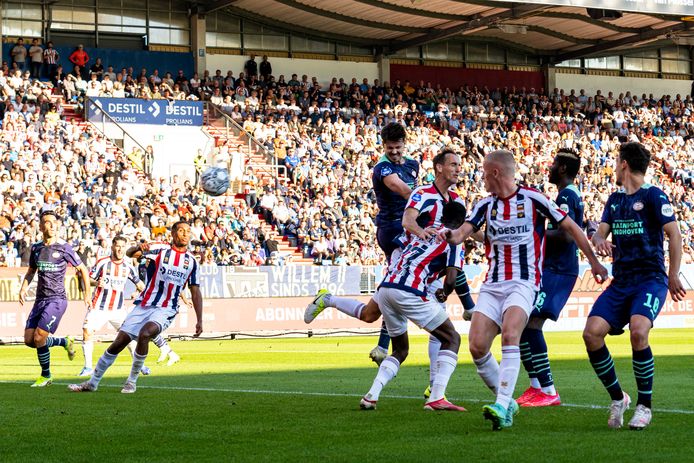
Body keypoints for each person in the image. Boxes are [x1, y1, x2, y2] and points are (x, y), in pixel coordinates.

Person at [441, 150, 608, 430]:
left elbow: (572, 228)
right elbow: (461, 233)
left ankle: (503, 403)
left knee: (511, 334)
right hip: (493, 285)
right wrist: (449, 234)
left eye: (484, 172)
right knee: (477, 346)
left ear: (495, 173)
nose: (480, 177)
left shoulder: (533, 199)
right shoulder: (484, 205)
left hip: (524, 282)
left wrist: (594, 262)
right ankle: (507, 401)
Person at [305, 149, 476, 398]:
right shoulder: (422, 193)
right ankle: (435, 390)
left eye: (460, 165)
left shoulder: (456, 201)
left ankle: (432, 387)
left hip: (424, 265)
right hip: (409, 258)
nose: (459, 169)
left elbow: (467, 228)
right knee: (429, 326)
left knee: (375, 315)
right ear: (439, 168)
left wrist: (494, 237)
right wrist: (423, 235)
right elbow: (408, 222)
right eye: (454, 164)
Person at [584, 142, 686, 430]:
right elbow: (599, 234)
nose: (614, 167)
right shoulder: (614, 201)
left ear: (625, 164)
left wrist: (673, 274)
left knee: (639, 330)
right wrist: (600, 240)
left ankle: (645, 406)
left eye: (617, 162)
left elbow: (674, 235)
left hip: (650, 280)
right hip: (622, 282)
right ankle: (619, 398)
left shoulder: (654, 196)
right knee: (591, 334)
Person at [68, 222, 203, 394]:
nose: (185, 234)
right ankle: (92, 383)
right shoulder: (159, 249)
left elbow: (195, 291)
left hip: (166, 308)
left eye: (188, 231)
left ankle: (131, 382)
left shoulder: (191, 262)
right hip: (144, 304)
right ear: (173, 234)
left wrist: (199, 319)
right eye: (181, 231)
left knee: (145, 333)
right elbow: (131, 253)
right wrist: (139, 247)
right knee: (119, 342)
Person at [360, 201, 468, 411]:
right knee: (452, 338)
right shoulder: (454, 240)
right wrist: (444, 293)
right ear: (462, 222)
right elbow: (453, 279)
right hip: (409, 291)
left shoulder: (426, 231)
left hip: (386, 289)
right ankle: (436, 397)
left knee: (400, 350)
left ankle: (371, 395)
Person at [517, 148, 584, 407]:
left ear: (563, 169)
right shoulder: (564, 194)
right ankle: (536, 387)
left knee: (532, 323)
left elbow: (567, 235)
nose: (550, 167)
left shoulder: (567, 195)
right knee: (522, 323)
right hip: (550, 267)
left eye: (554, 163)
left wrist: (533, 234)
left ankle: (548, 389)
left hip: (559, 268)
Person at [19, 210, 92, 387]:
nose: (51, 226)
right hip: (40, 300)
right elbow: (31, 272)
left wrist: (87, 294)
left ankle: (46, 375)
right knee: (29, 341)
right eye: (47, 222)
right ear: (41, 226)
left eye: (54, 222)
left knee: (39, 338)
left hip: (57, 300)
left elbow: (82, 269)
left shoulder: (64, 247)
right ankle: (64, 341)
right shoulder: (36, 248)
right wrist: (23, 288)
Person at [369, 122, 419, 365]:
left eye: (398, 148)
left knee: (396, 283)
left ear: (404, 144)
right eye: (390, 148)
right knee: (395, 285)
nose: (395, 153)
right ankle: (382, 344)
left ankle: (381, 345)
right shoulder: (382, 169)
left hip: (409, 230)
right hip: (391, 230)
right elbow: (403, 190)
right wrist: (430, 200)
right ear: (384, 146)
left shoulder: (413, 164)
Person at [79, 235, 152, 377]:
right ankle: (88, 367)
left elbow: (139, 284)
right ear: (112, 246)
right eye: (117, 246)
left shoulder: (128, 266)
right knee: (87, 331)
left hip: (118, 309)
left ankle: (140, 365)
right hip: (99, 307)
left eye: (122, 247)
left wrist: (148, 295)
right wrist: (96, 283)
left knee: (129, 335)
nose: (120, 249)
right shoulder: (102, 263)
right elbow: (89, 278)